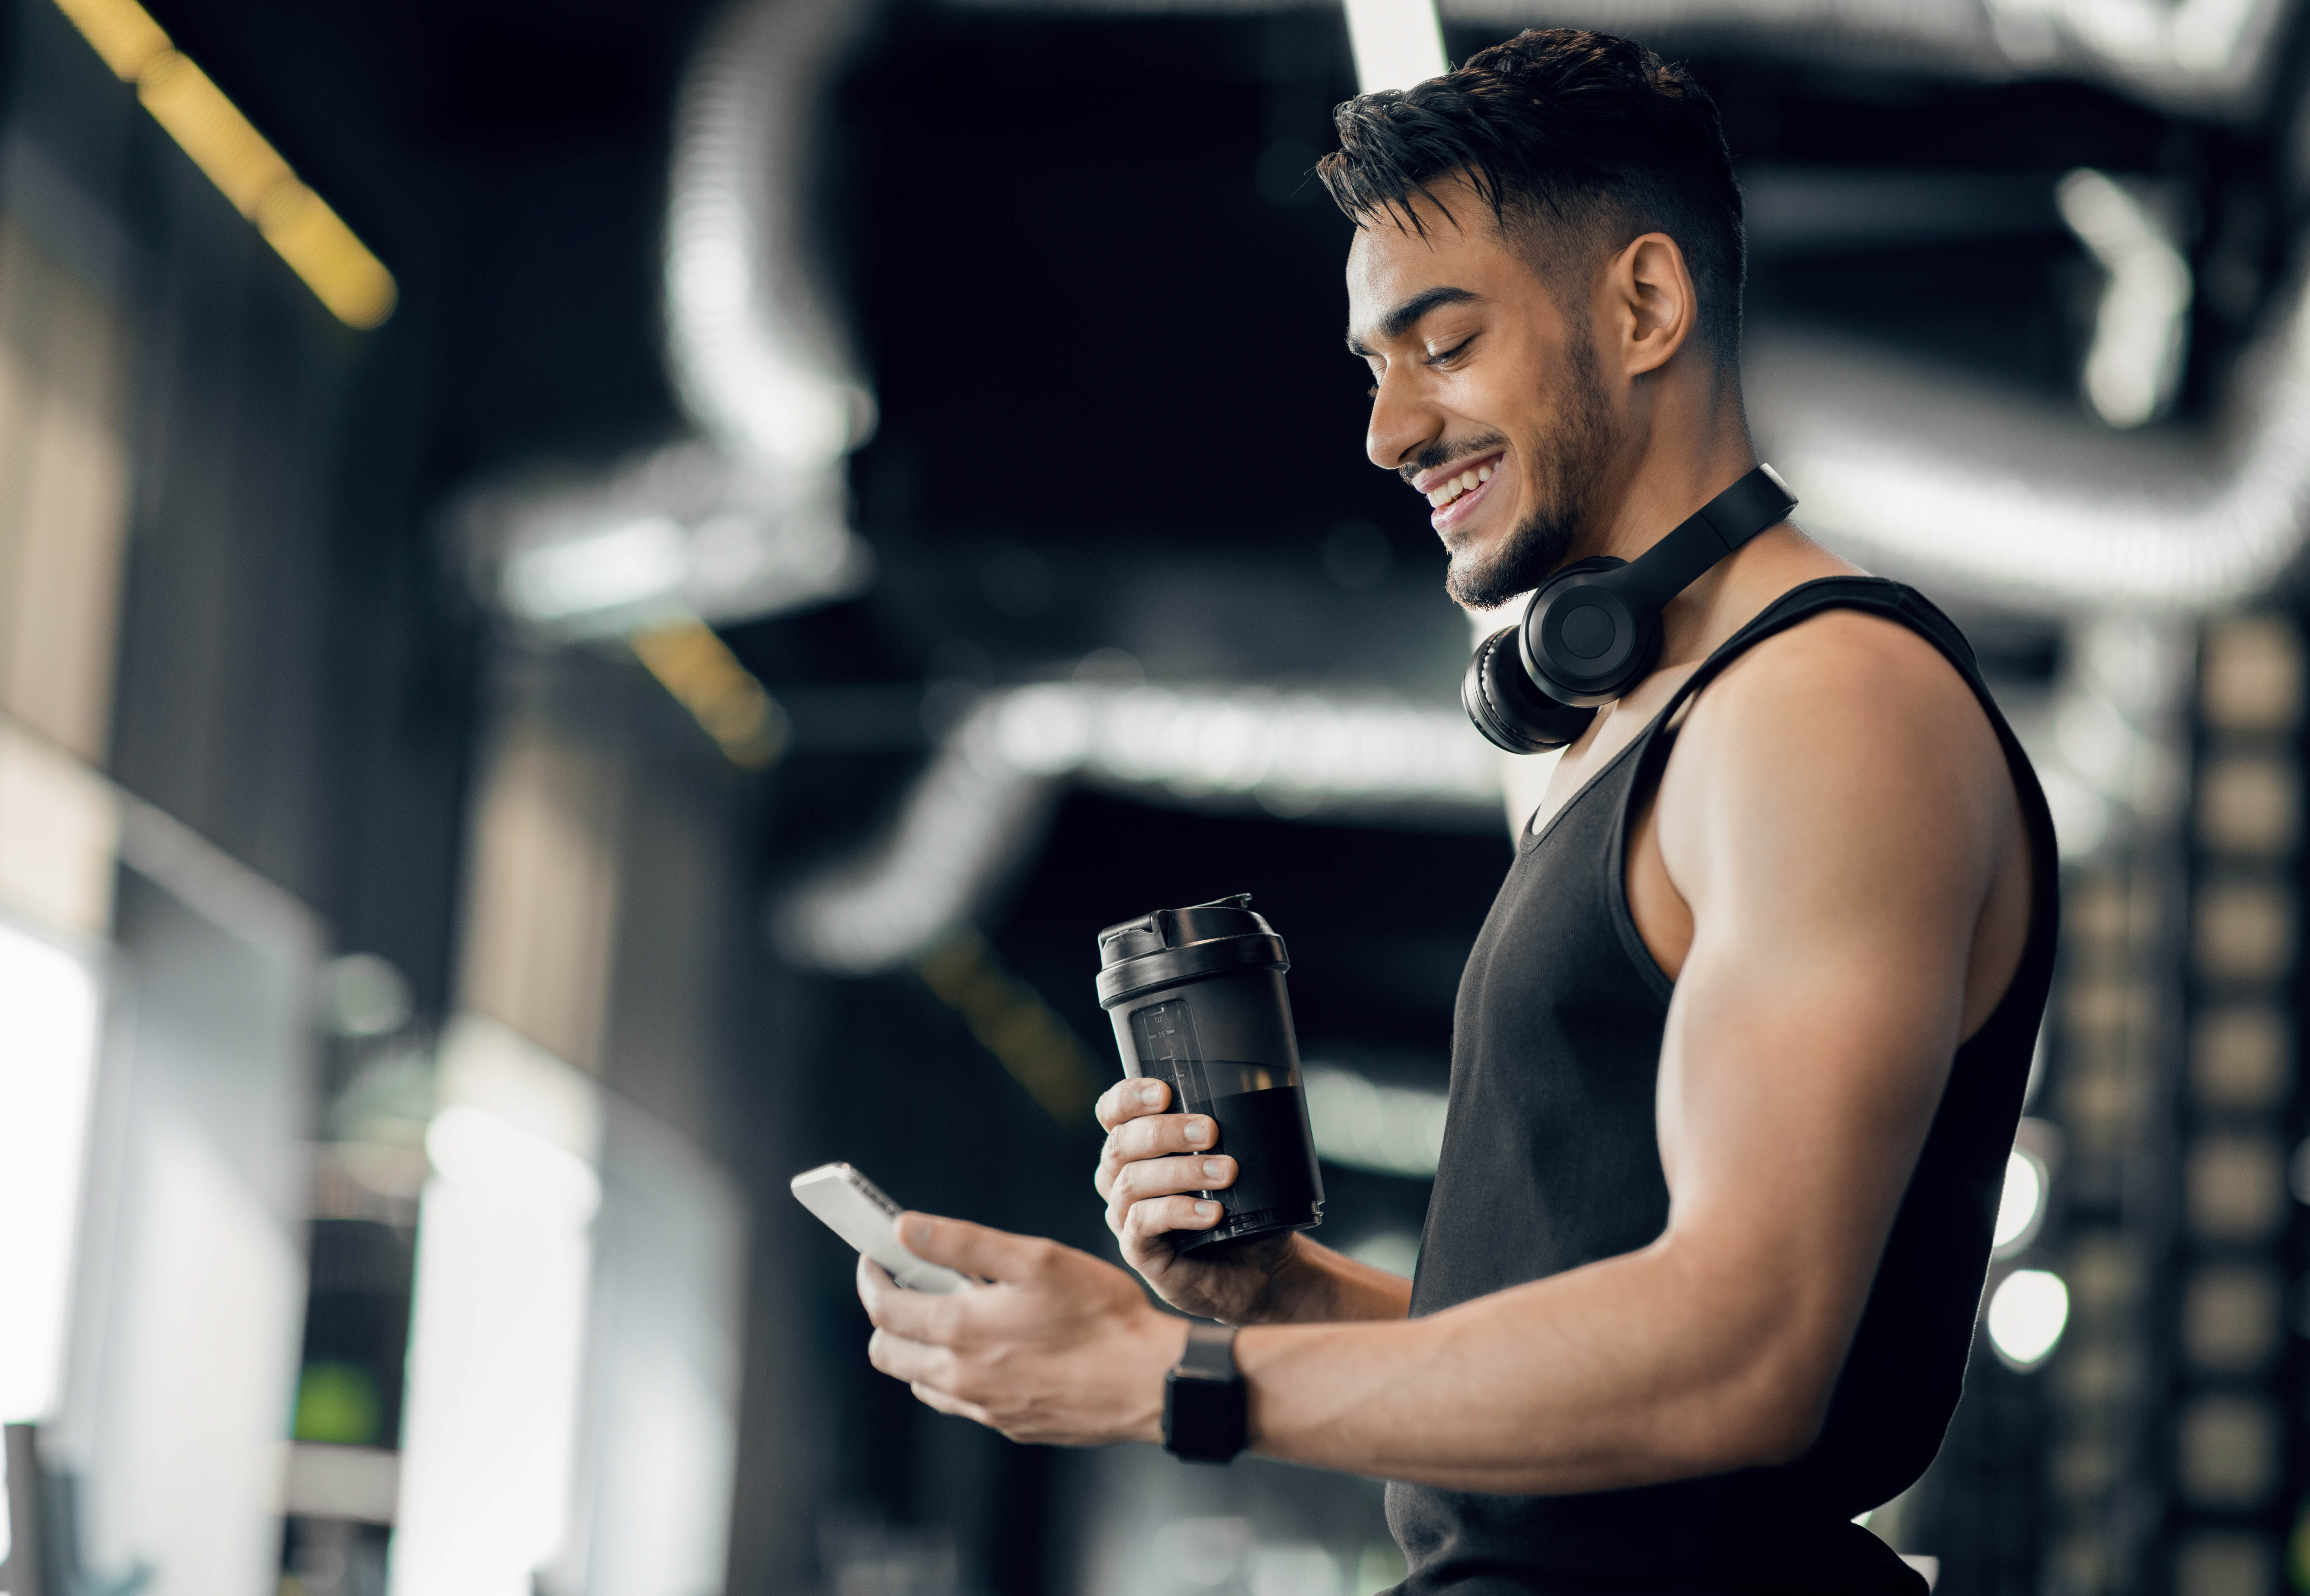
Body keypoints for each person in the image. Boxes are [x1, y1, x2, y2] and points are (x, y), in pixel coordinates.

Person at [856, 28, 2057, 1594]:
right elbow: (1598, 1358)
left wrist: (1162, 1381)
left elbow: (1742, 1357)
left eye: (1444, 343)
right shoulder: (1647, 731)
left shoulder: (1826, 710)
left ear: (1644, 304)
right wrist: (1276, 1298)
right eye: (1377, 366)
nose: (1391, 431)